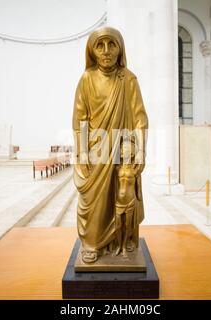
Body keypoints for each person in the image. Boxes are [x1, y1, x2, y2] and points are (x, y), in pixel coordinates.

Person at [72, 27, 148, 264]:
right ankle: (93, 243)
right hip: (96, 151)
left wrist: (141, 151)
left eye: (111, 44)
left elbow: (139, 118)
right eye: (100, 45)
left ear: (120, 48)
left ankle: (121, 242)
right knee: (93, 201)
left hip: (123, 151)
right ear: (92, 51)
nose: (106, 51)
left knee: (122, 197)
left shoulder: (128, 79)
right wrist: (83, 153)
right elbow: (80, 119)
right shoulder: (87, 79)